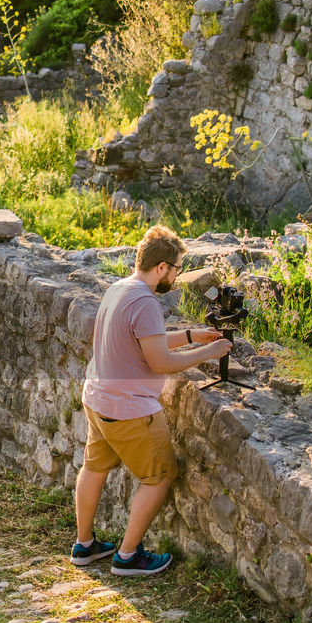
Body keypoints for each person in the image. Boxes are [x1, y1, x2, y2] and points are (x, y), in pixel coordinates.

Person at [72, 224, 232, 576]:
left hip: (98, 398)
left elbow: (146, 342)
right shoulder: (146, 301)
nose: (175, 275)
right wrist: (210, 350)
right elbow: (159, 362)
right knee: (160, 476)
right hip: (128, 409)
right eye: (175, 268)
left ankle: (84, 546)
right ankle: (128, 557)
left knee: (94, 468)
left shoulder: (119, 289)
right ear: (162, 267)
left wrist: (190, 335)